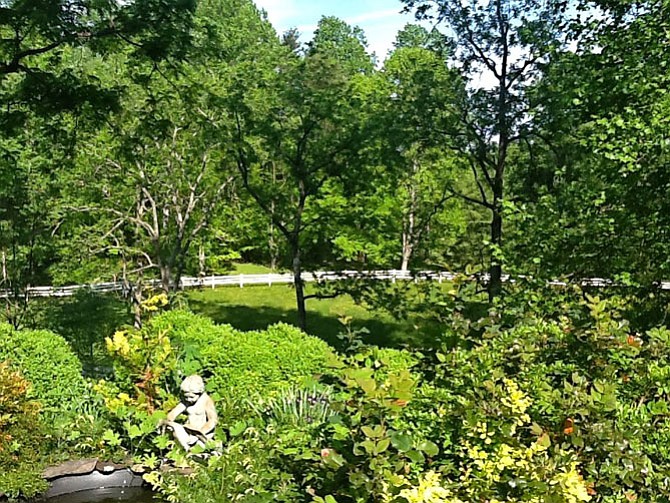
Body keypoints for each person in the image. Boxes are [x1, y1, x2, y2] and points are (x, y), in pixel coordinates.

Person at [161, 375, 218, 451]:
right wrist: (169, 423)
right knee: (175, 428)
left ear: (199, 393)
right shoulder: (186, 402)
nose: (189, 399)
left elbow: (213, 421)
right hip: (188, 432)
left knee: (198, 448)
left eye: (191, 397)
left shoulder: (206, 401)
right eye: (186, 397)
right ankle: (184, 450)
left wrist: (199, 433)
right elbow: (172, 414)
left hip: (203, 435)